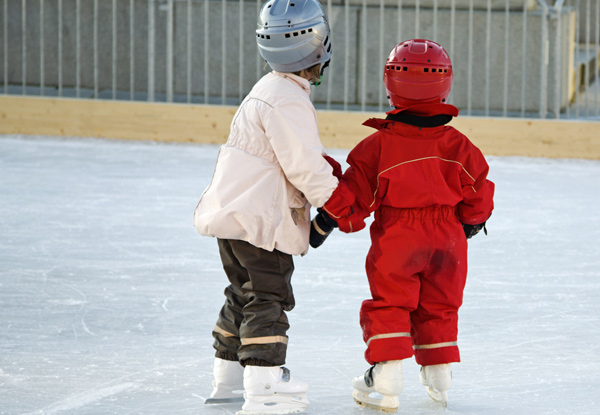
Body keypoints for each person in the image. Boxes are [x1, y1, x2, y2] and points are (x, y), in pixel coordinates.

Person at [310, 39, 495, 412]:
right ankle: (439, 375)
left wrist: (328, 220)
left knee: (392, 302)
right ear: (445, 85)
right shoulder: (460, 146)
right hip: (448, 241)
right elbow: (479, 190)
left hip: (398, 238)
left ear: (390, 83)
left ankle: (387, 375)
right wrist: (471, 224)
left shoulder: (376, 147)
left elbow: (355, 194)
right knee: (440, 305)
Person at [193, 0, 338, 414]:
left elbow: (283, 157)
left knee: (243, 293)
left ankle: (228, 380)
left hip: (233, 216)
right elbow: (304, 167)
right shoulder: (289, 100)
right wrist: (335, 203)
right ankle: (265, 386)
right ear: (319, 45)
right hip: (260, 223)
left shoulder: (267, 88)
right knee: (269, 297)